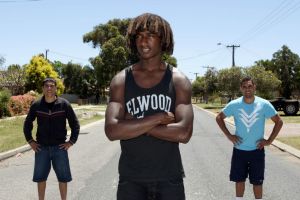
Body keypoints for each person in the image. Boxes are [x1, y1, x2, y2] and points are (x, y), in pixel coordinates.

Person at [104, 13, 194, 200]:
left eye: (150, 35)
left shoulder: (178, 80)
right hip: (131, 180)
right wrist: (158, 119)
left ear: (163, 40)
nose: (143, 41)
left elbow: (184, 133)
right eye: (138, 36)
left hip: (170, 179)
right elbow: (112, 130)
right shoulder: (121, 80)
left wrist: (134, 124)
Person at [216, 76, 283, 200]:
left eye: (250, 86)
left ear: (254, 87)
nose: (248, 89)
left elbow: (279, 121)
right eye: (245, 87)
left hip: (257, 150)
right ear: (241, 88)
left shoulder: (264, 104)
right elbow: (219, 117)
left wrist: (269, 141)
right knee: (239, 180)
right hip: (239, 150)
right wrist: (229, 135)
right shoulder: (234, 104)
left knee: (257, 182)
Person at [23, 77, 80, 200]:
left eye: (52, 86)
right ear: (43, 88)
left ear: (55, 88)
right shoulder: (37, 105)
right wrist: (30, 141)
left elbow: (75, 124)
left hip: (59, 148)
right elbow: (27, 124)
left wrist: (71, 142)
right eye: (47, 86)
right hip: (41, 149)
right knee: (41, 178)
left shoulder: (64, 104)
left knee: (63, 178)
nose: (49, 88)